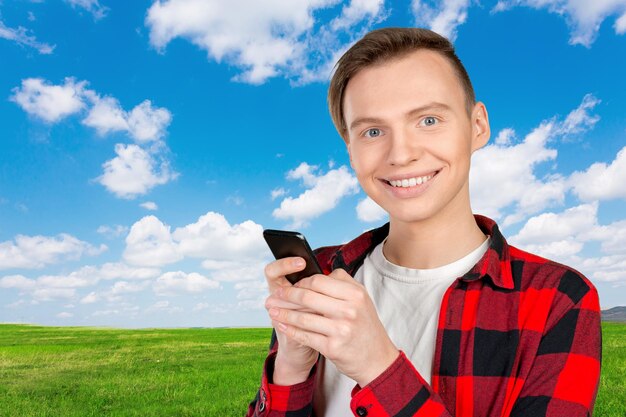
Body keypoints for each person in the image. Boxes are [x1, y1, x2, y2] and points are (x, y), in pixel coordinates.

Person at [247, 27, 601, 417]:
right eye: (373, 131)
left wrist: (379, 368)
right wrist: (292, 367)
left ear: (477, 126)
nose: (401, 154)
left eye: (429, 120)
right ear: (351, 150)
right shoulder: (327, 274)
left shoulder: (558, 299)